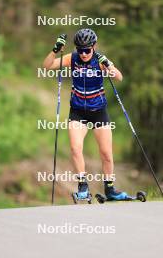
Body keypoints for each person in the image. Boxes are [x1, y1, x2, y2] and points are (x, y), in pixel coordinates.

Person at [43, 28, 128, 200]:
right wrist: (54, 50)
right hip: (78, 111)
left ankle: (110, 190)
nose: (83, 54)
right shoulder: (72, 58)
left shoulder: (100, 59)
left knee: (106, 153)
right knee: (75, 148)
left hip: (99, 111)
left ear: (94, 47)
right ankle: (83, 187)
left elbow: (119, 77)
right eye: (80, 50)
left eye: (87, 50)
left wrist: (108, 65)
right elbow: (47, 66)